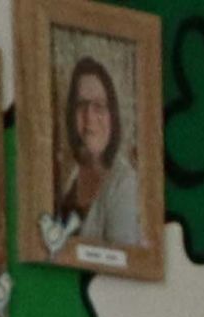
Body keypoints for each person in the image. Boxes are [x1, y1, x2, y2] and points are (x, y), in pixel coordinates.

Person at [48, 51, 145, 257]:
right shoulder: (67, 183)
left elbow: (124, 266)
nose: (89, 117)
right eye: (81, 106)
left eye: (99, 106)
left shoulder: (125, 184)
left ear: (113, 117)